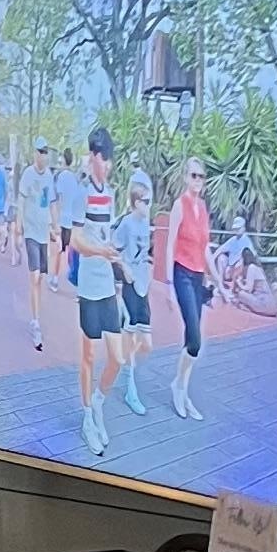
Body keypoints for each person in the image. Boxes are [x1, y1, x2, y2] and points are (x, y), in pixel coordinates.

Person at [69, 130, 122, 458]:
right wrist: (101, 253)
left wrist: (114, 259)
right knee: (89, 355)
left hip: (107, 287)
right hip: (89, 285)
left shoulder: (112, 195)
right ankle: (87, 416)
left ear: (109, 162)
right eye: (92, 155)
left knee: (117, 357)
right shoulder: (81, 194)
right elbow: (75, 240)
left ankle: (99, 403)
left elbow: (106, 235)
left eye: (99, 156)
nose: (94, 161)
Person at [164, 154, 216, 419]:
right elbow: (170, 243)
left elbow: (205, 248)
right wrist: (168, 285)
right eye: (193, 175)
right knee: (195, 339)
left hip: (198, 277)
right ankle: (178, 386)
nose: (197, 180)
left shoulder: (203, 208)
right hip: (182, 273)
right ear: (186, 177)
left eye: (201, 176)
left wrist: (218, 280)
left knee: (191, 339)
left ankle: (182, 388)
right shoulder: (179, 205)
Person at [110, 166, 157, 419]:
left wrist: (147, 267)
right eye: (146, 201)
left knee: (146, 344)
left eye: (151, 201)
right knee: (131, 335)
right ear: (136, 201)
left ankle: (125, 363)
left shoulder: (146, 223)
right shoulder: (126, 223)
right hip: (130, 285)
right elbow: (112, 250)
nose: (149, 206)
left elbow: (146, 252)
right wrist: (124, 267)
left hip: (143, 286)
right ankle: (130, 387)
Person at [20, 147, 58, 345]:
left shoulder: (49, 176)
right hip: (31, 232)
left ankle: (36, 314)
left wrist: (55, 226)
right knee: (34, 276)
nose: (42, 156)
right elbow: (22, 199)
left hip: (44, 232)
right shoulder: (27, 174)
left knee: (40, 278)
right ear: (34, 154)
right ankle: (35, 322)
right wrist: (19, 224)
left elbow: (51, 202)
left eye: (45, 152)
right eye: (39, 152)